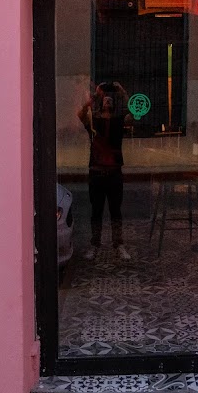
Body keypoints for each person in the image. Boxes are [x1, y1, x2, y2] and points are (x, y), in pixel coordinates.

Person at [78, 81, 132, 261]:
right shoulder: (94, 121)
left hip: (114, 173)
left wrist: (122, 91)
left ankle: (119, 245)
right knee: (96, 211)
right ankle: (95, 244)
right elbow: (80, 114)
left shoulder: (118, 121)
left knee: (116, 211)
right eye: (105, 99)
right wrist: (94, 97)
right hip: (96, 172)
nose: (107, 101)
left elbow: (132, 113)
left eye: (110, 99)